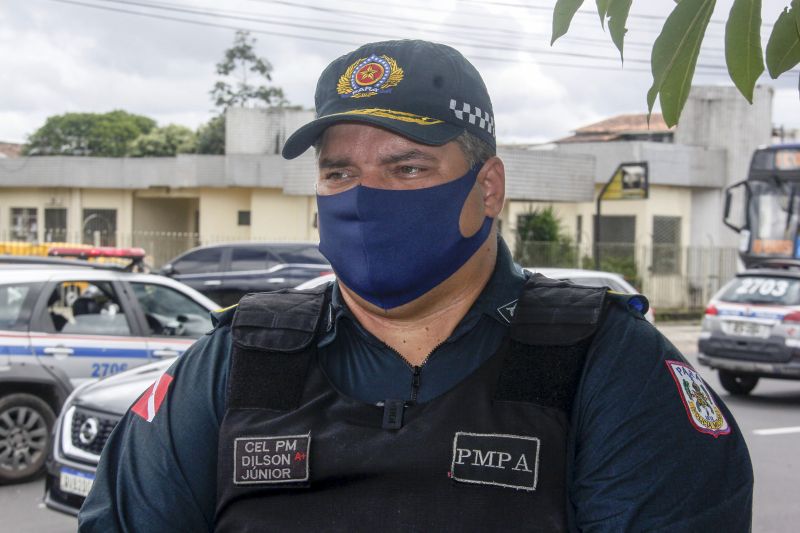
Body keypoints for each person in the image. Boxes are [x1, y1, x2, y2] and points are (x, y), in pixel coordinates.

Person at [79, 39, 753, 532]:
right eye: (339, 172)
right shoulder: (236, 362)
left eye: (406, 169)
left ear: (488, 188)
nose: (364, 196)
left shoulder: (610, 366)